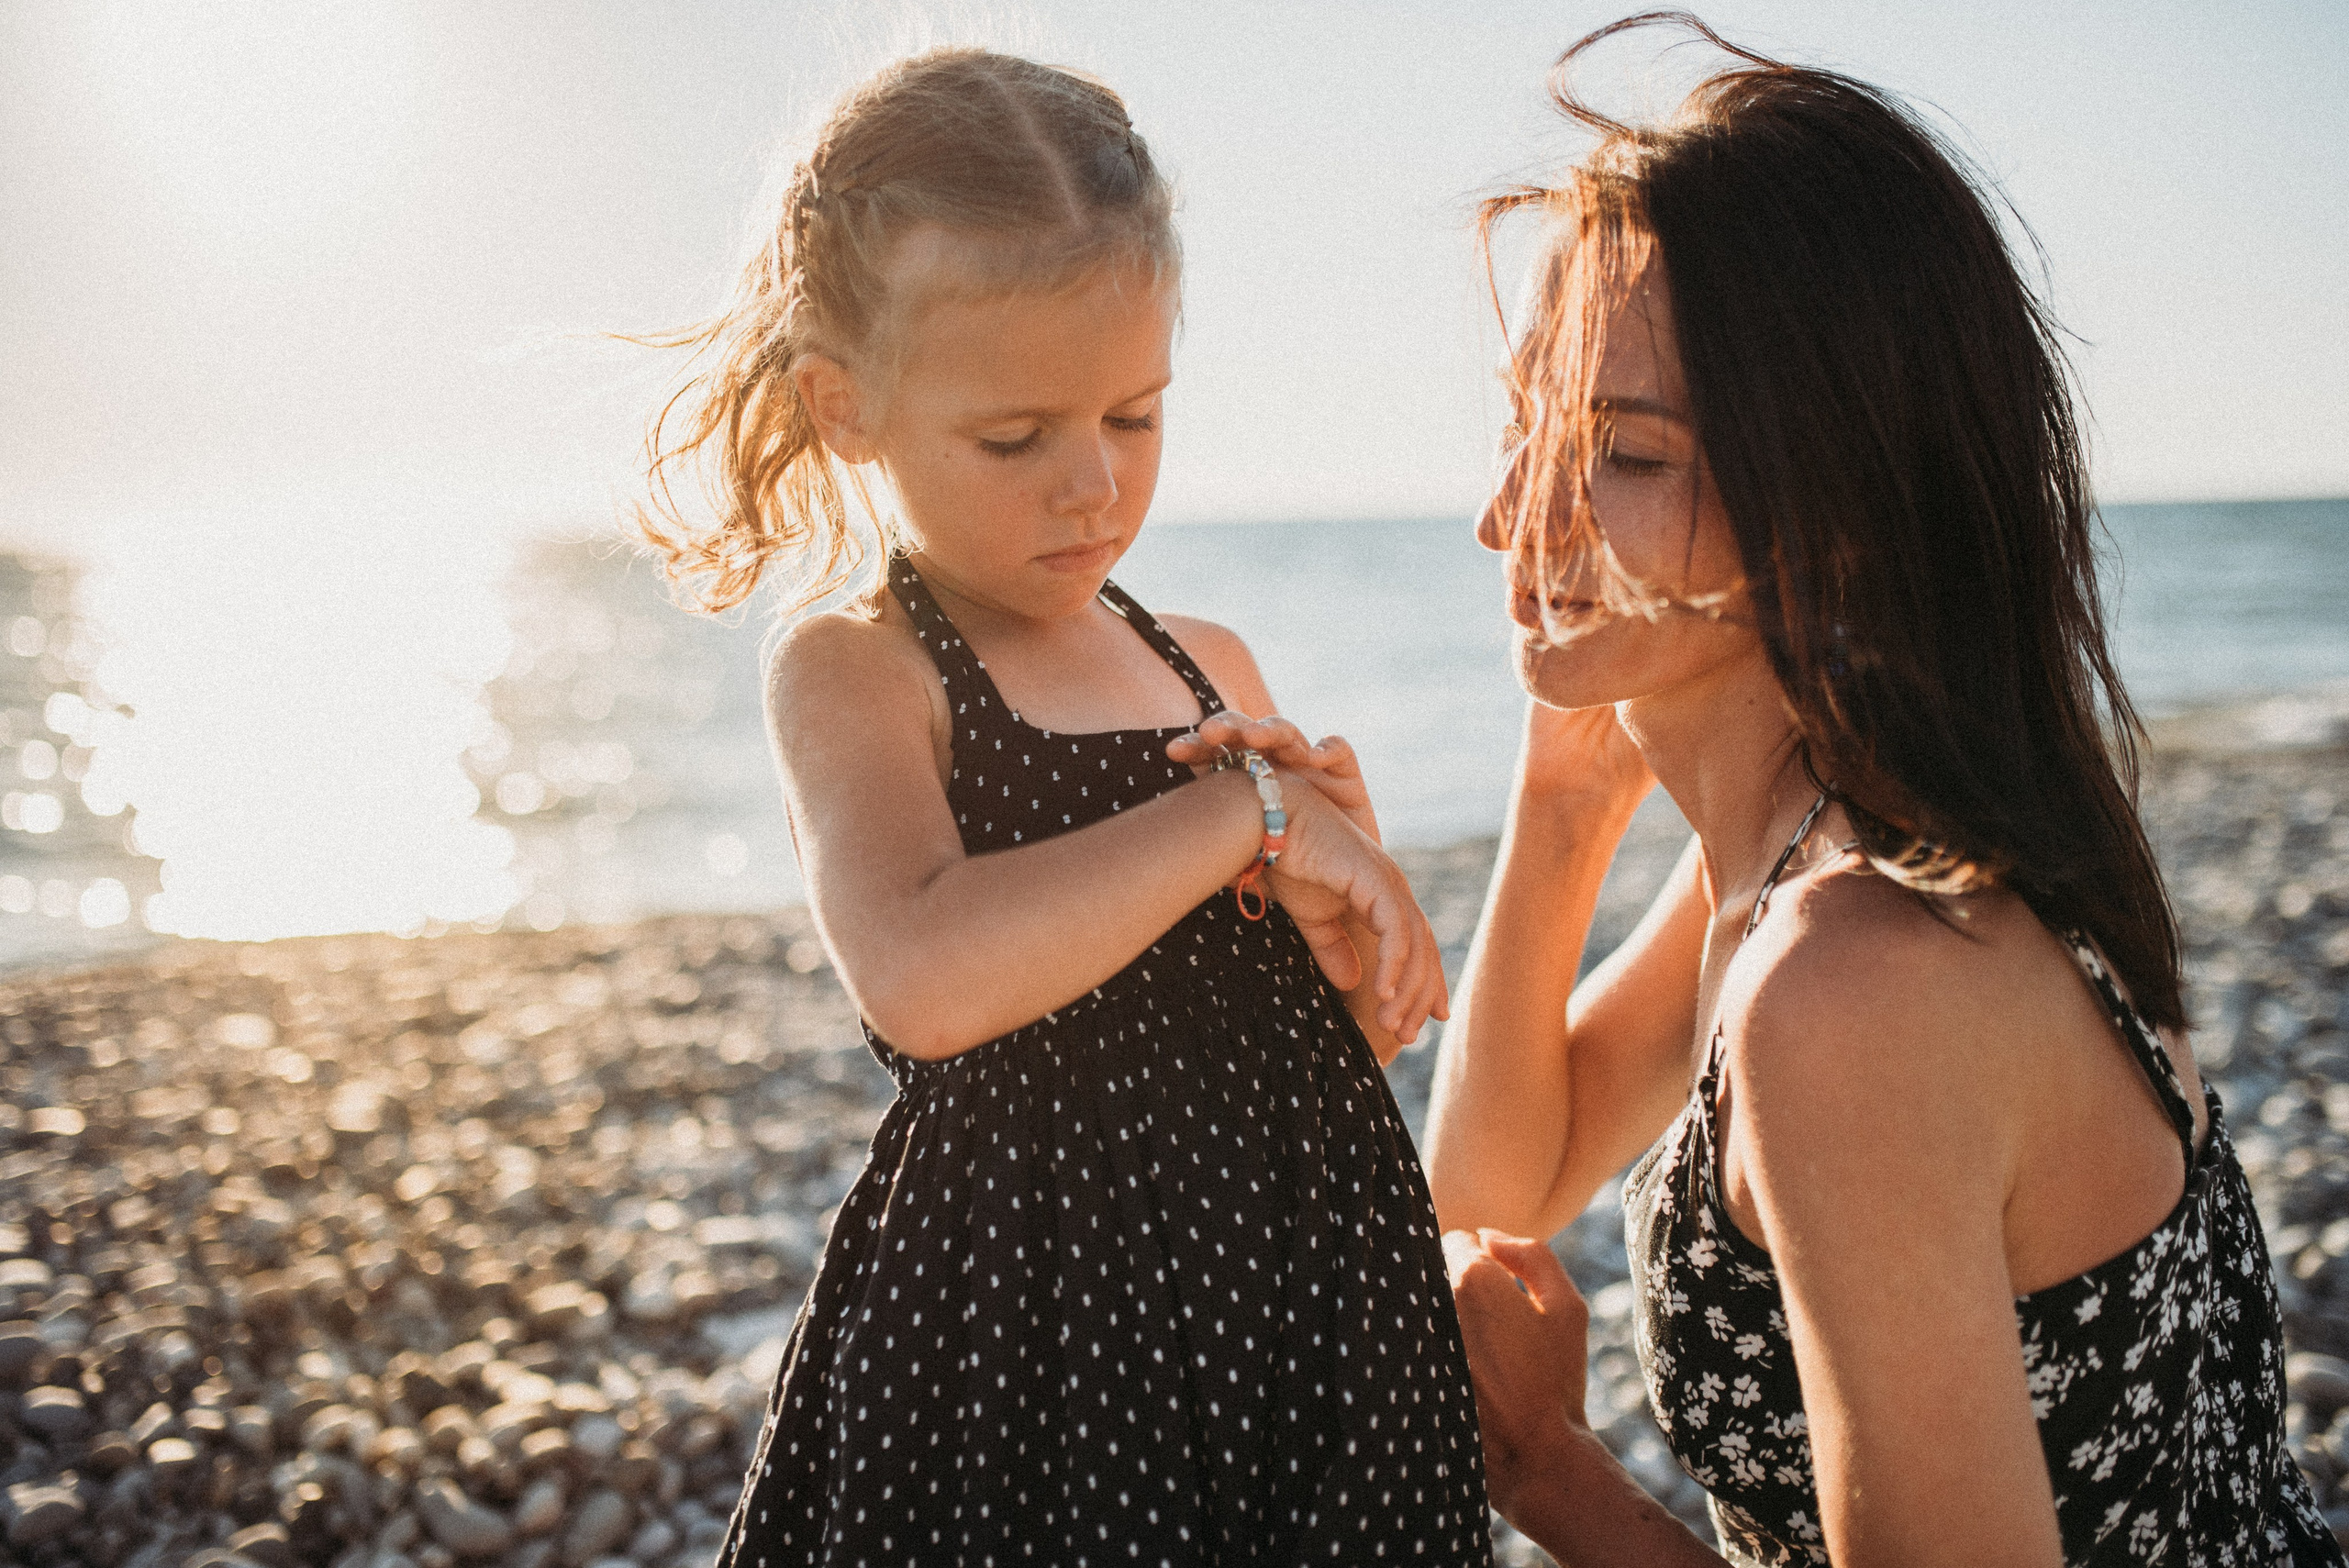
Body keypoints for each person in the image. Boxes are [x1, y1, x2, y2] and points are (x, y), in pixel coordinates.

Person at [1419, 14, 2343, 1566]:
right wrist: (1566, 801)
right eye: (1524, 426)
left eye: (1620, 454)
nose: (1510, 518)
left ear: (1832, 497)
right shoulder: (1843, 840)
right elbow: (1495, 1192)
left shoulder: (1855, 982)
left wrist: (1551, 1471)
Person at [633, 47, 1492, 1566]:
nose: (1090, 486)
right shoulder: (863, 672)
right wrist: (1240, 815)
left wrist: (1355, 949)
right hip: (1040, 1330)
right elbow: (921, 968)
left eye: (1135, 418)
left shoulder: (1204, 666)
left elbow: (1305, 1041)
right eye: (1015, 439)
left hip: (1301, 1292)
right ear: (849, 407)